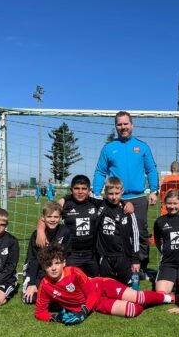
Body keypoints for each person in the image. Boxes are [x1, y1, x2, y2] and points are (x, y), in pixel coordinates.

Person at [34, 243, 175, 324]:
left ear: (63, 263)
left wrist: (84, 311)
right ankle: (147, 300)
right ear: (44, 267)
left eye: (57, 263)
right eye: (49, 265)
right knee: (133, 310)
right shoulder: (45, 285)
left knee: (139, 297)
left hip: (102, 286)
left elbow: (93, 292)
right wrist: (56, 317)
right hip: (95, 303)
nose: (53, 268)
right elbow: (40, 312)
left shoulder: (74, 272)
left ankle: (169, 298)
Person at [93, 111, 159, 275]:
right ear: (116, 126)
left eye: (125, 124)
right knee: (115, 233)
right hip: (116, 199)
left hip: (138, 198)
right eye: (119, 124)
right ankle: (116, 265)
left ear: (132, 125)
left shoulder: (142, 146)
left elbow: (151, 169)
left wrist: (154, 190)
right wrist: (96, 193)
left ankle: (141, 267)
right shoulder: (109, 148)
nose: (123, 127)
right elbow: (100, 171)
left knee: (141, 234)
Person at [37, 175, 102, 277]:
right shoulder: (65, 204)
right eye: (77, 188)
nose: (80, 191)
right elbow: (45, 217)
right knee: (70, 282)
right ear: (71, 190)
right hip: (71, 254)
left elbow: (113, 205)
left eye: (84, 188)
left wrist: (127, 204)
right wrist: (40, 231)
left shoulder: (96, 203)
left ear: (89, 190)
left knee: (93, 283)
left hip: (92, 254)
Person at [22, 201, 72, 304]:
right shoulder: (37, 235)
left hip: (55, 270)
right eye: (49, 217)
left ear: (60, 218)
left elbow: (66, 256)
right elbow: (33, 260)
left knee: (64, 295)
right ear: (43, 218)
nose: (52, 220)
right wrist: (32, 283)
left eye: (56, 217)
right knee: (29, 298)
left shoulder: (65, 232)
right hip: (39, 270)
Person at [96, 177, 140, 285]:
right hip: (104, 256)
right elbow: (83, 197)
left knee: (129, 287)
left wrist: (135, 260)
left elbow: (135, 235)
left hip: (123, 256)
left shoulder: (127, 210)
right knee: (107, 286)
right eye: (111, 193)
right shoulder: (100, 205)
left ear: (122, 191)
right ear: (105, 192)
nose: (114, 197)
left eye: (117, 193)